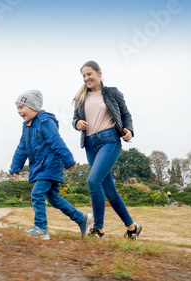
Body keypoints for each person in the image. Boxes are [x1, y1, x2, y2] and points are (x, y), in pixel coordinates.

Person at [72, 61, 142, 239]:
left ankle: (99, 229)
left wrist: (129, 130)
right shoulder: (80, 97)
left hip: (109, 141)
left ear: (99, 73)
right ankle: (132, 227)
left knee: (93, 181)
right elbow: (76, 120)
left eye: (89, 74)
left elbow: (126, 114)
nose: (87, 78)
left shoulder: (112, 92)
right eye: (84, 76)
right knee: (109, 191)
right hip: (90, 144)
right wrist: (77, 123)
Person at [10, 89, 93, 240]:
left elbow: (56, 141)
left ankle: (41, 228)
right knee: (54, 199)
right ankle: (81, 219)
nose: (19, 111)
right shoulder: (27, 126)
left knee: (36, 194)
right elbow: (22, 147)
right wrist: (16, 166)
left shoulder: (45, 121)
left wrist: (68, 161)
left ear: (33, 107)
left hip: (49, 166)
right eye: (17, 108)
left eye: (21, 107)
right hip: (41, 168)